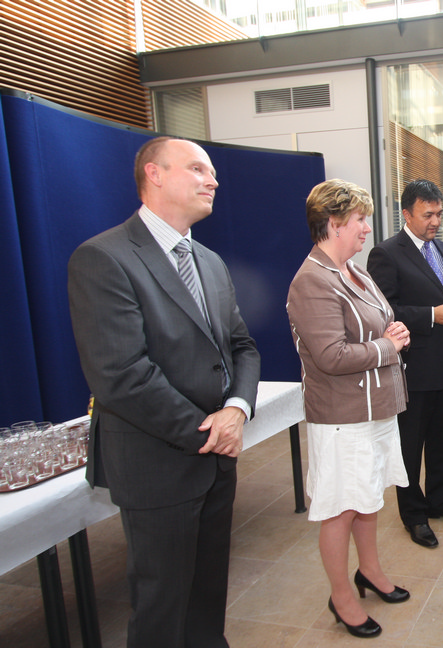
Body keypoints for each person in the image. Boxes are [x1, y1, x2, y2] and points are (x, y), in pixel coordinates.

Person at [67, 136, 261, 648]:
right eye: (197, 169)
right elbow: (121, 374)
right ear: (154, 174)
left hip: (217, 460)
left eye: (211, 172)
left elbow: (242, 347)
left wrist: (236, 410)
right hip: (158, 464)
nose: (213, 180)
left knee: (206, 596)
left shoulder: (210, 262)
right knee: (162, 608)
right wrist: (210, 433)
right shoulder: (103, 258)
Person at [286, 179, 411, 639]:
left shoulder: (354, 270)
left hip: (374, 408)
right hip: (342, 417)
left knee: (368, 495)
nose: (366, 228)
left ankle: (370, 571)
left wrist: (392, 334)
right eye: (360, 219)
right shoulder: (311, 280)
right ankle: (341, 597)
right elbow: (331, 356)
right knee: (341, 507)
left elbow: (379, 323)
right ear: (334, 222)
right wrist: (387, 346)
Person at [367, 179, 443, 548]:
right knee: (410, 447)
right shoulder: (386, 254)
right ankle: (414, 515)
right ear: (406, 213)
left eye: (439, 214)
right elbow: (384, 312)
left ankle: (440, 501)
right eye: (428, 215)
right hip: (413, 370)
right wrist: (432, 315)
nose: (436, 222)